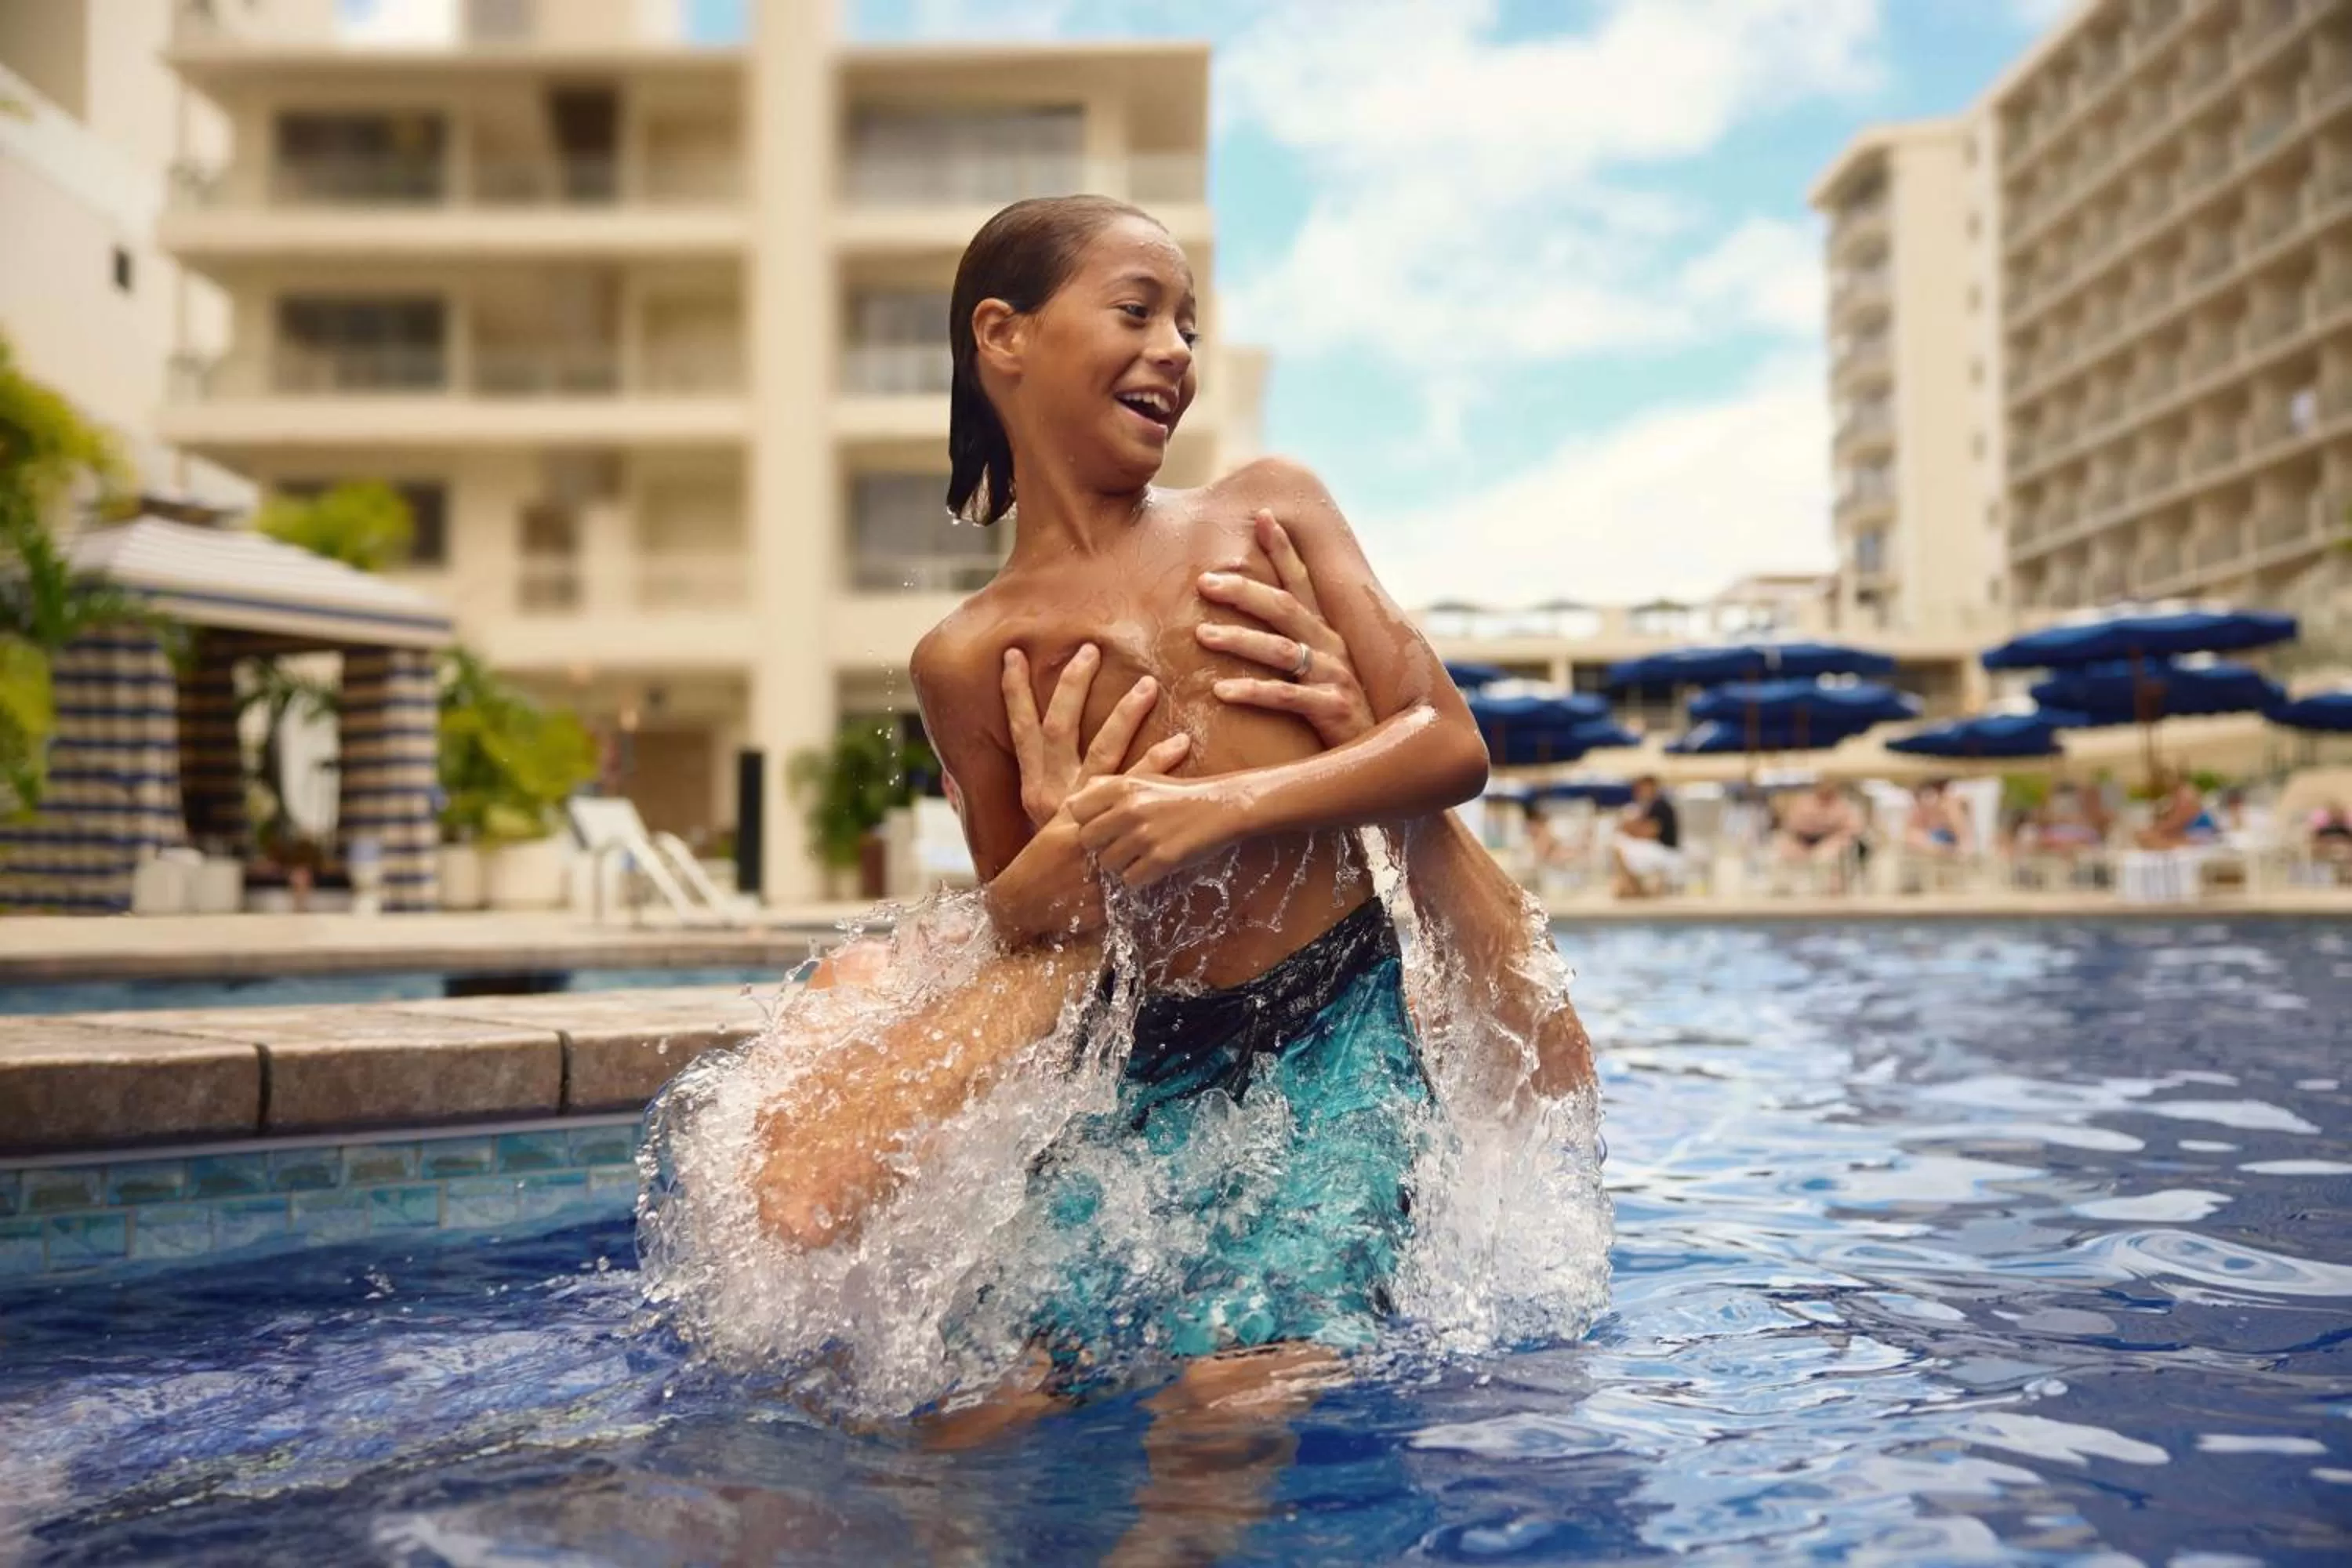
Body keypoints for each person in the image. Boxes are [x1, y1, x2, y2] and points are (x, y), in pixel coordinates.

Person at [742, 195, 1593, 1450]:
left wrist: (1214, 807)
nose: (1177, 351)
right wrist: (1066, 850)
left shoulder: (1266, 514)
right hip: (1142, 1062)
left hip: (1334, 1028)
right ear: (1005, 336)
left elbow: (1448, 747)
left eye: (1187, 323)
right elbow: (1030, 943)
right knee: (998, 1392)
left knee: (1224, 1399)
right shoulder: (966, 658)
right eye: (1137, 310)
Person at [1609, 775, 1682, 899]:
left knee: (1619, 847)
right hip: (1661, 850)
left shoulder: (1660, 806)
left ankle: (1633, 888)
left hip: (1666, 853)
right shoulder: (1649, 806)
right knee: (1619, 845)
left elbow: (1649, 832)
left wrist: (1628, 828)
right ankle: (1631, 887)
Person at [1773, 779, 1861, 868]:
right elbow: (1791, 824)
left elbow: (1853, 829)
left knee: (1826, 855)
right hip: (1802, 842)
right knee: (1783, 852)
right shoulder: (1804, 802)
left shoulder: (1844, 805)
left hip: (1831, 842)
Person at [2136, 769, 2220, 850]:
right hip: (2192, 831)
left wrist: (2156, 831)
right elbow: (2173, 820)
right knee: (2149, 838)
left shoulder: (2186, 795)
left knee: (2153, 840)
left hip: (2202, 833)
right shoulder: (2177, 795)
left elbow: (2179, 821)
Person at [1901, 778, 1973, 858]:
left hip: (1945, 847)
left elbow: (1963, 840)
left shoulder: (1950, 805)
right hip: (1938, 846)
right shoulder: (1927, 807)